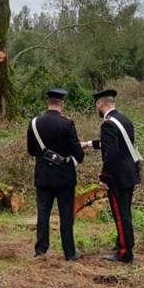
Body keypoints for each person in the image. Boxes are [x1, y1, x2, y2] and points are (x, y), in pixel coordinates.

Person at [82, 89, 141, 263]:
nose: (97, 108)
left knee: (120, 214)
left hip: (117, 177)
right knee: (125, 212)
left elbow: (111, 154)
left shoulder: (107, 124)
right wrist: (88, 144)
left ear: (101, 104)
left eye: (97, 105)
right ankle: (122, 243)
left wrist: (104, 177)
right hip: (130, 173)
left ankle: (124, 253)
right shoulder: (125, 120)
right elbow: (116, 144)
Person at [27, 89, 85, 261]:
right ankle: (69, 252)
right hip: (64, 177)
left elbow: (31, 150)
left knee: (43, 213)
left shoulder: (35, 123)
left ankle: (41, 251)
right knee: (66, 215)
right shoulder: (67, 124)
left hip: (43, 175)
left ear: (48, 103)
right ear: (62, 104)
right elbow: (78, 155)